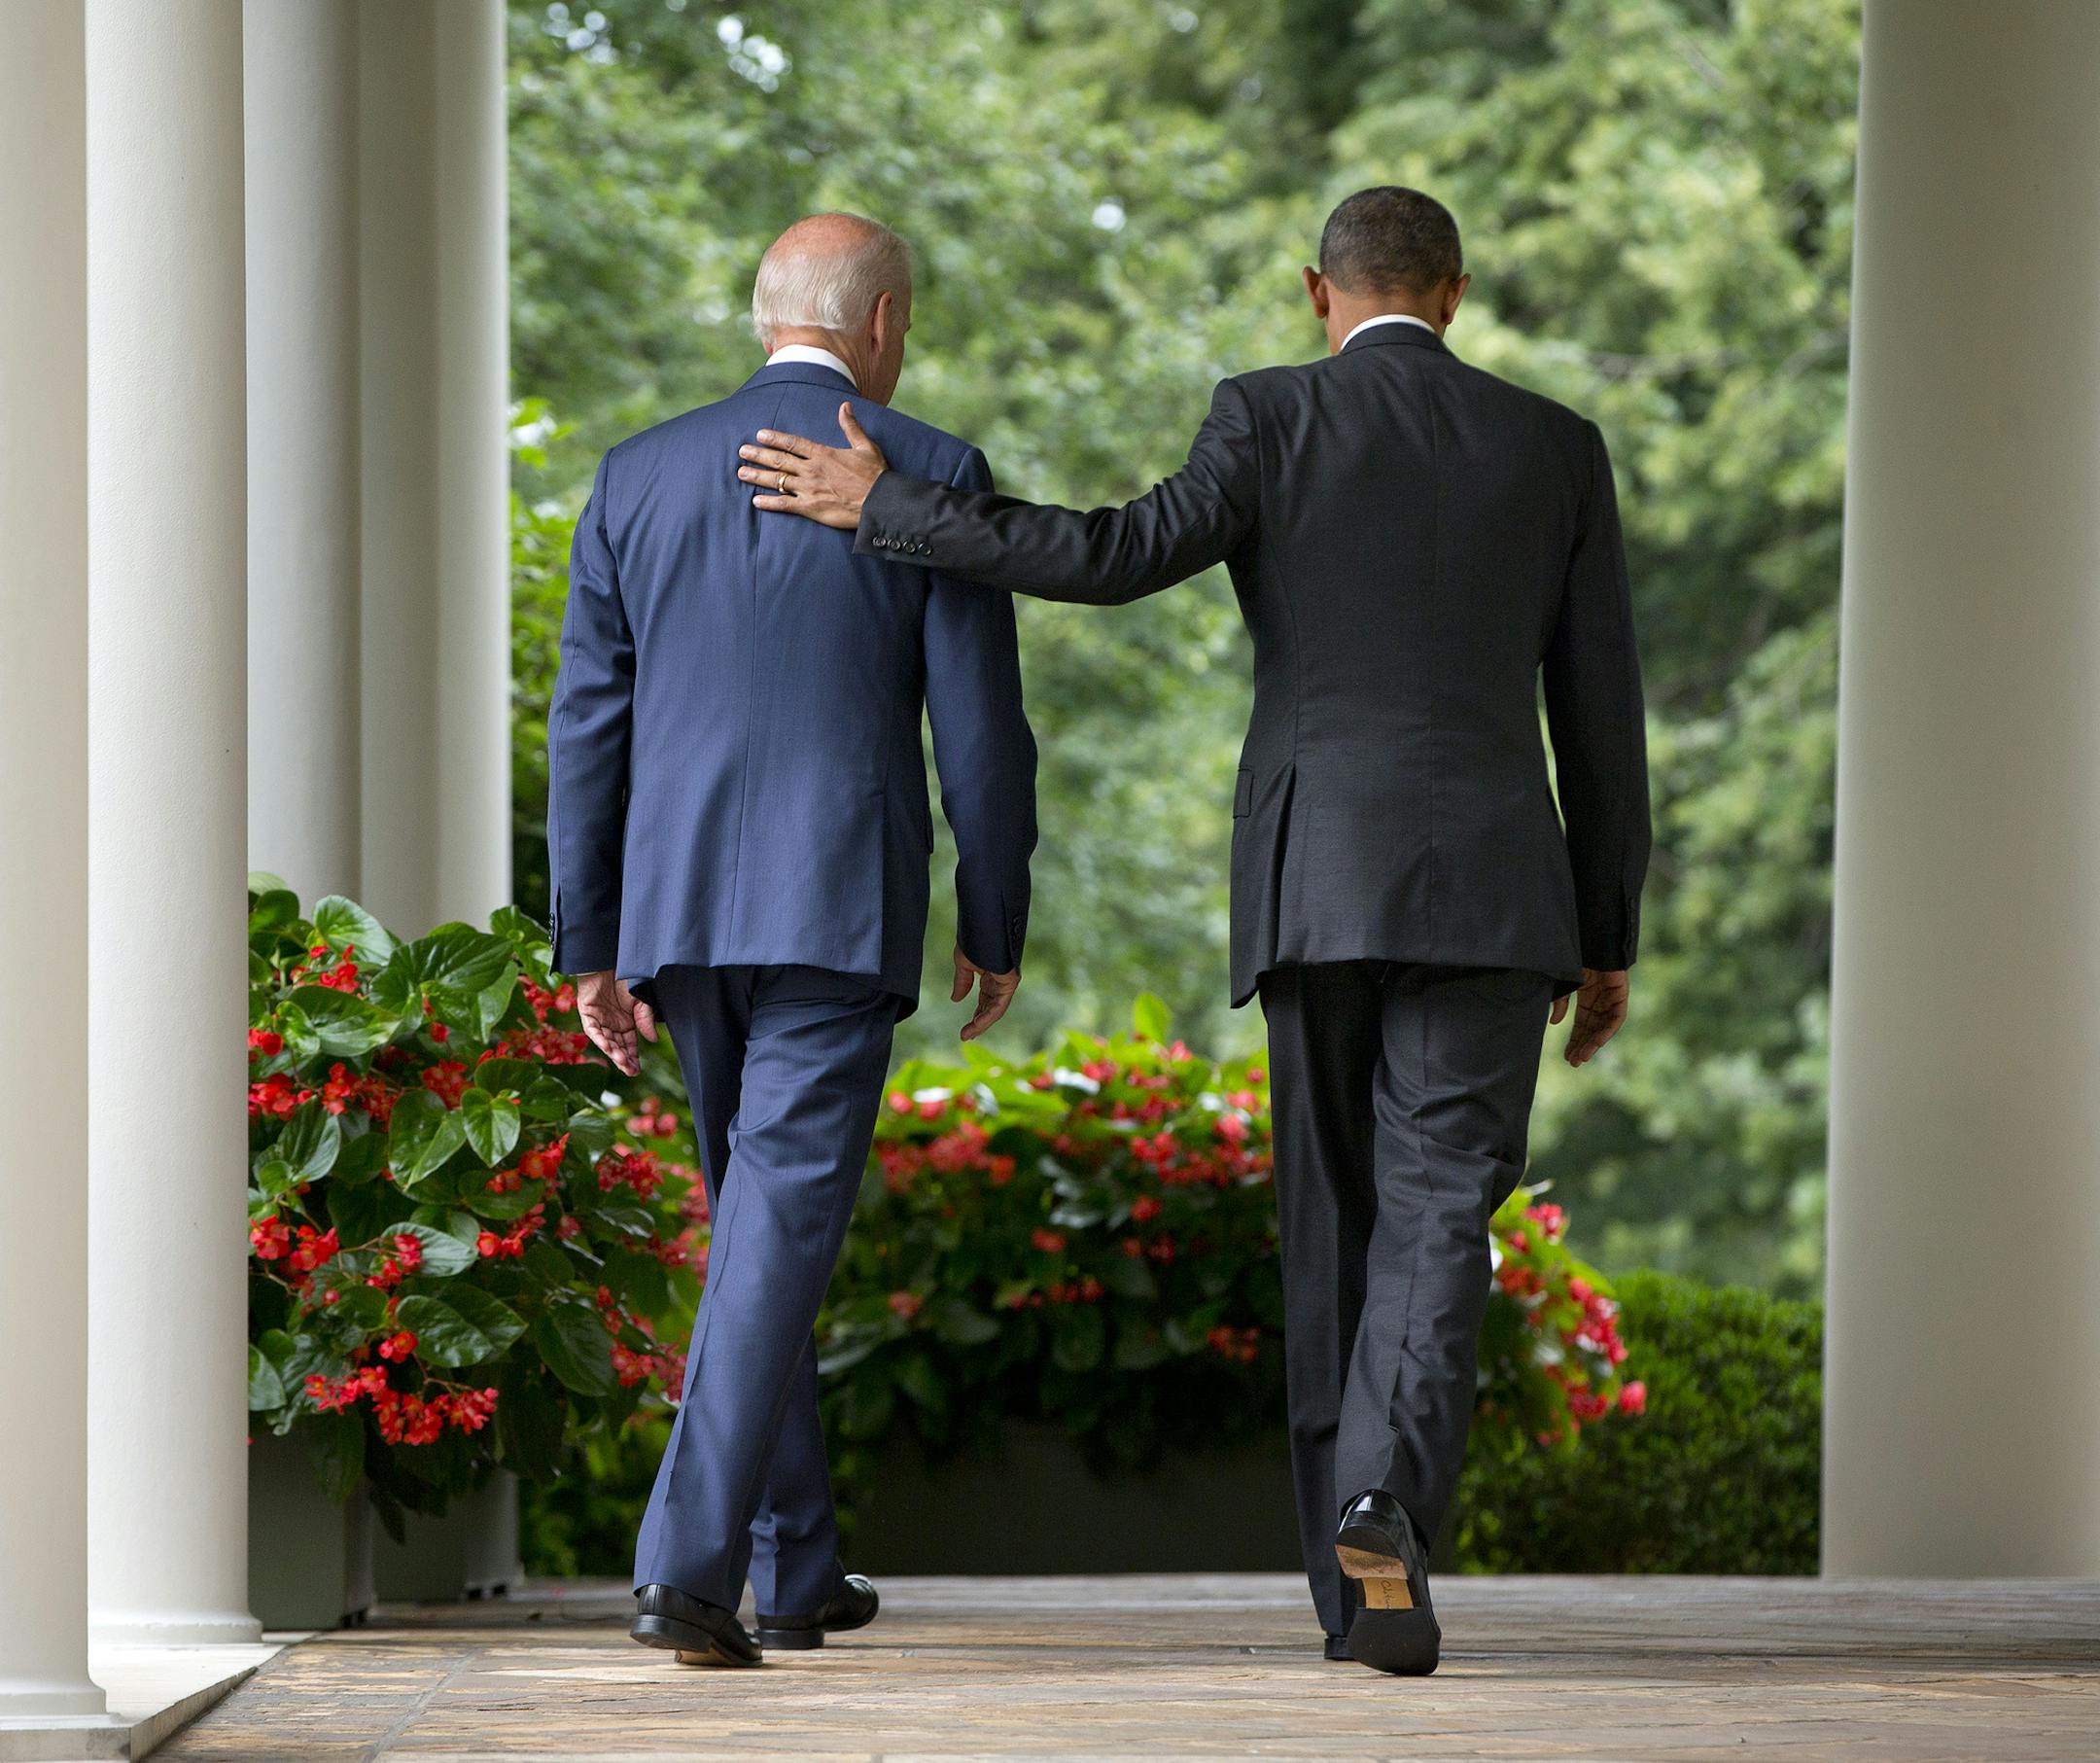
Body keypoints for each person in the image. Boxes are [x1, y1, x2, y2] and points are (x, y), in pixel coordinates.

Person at [733, 187, 1651, 1676]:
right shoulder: (1555, 447)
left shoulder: (1269, 418)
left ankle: (1353, 1591)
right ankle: (1385, 1507)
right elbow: (1600, 715)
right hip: (1495, 893)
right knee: (1438, 1210)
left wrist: (890, 509)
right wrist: (1607, 926)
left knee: (1335, 1226)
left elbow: (1110, 552)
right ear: (1457, 295)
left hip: (1315, 881)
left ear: (1318, 293)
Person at [547, 212, 1037, 1667]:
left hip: (680, 915)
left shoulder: (634, 474)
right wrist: (994, 910)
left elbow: (591, 724)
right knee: (771, 1233)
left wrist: (589, 939)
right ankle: (688, 1572)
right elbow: (984, 731)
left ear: (769, 315)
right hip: (837, 905)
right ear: (880, 322)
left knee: (761, 1233)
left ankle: (797, 1559)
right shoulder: (930, 471)